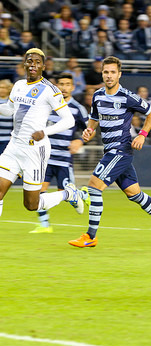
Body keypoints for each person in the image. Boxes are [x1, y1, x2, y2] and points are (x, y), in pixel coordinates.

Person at [68, 56, 151, 248]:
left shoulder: (128, 97)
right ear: (102, 73)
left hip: (121, 150)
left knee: (94, 187)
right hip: (110, 150)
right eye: (106, 72)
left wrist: (142, 134)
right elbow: (93, 123)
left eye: (112, 72)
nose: (109, 76)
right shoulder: (98, 96)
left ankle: (90, 236)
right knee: (135, 194)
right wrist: (88, 132)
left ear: (119, 74)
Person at [0, 49, 86, 220]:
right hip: (14, 146)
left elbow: (69, 120)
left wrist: (44, 132)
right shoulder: (18, 85)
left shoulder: (50, 90)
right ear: (24, 64)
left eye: (38, 62)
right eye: (30, 61)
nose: (33, 65)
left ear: (43, 66)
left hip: (35, 150)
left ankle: (69, 194)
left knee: (31, 204)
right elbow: (9, 111)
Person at [31, 73, 90, 234]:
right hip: (45, 157)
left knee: (64, 194)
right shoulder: (47, 105)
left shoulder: (78, 109)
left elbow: (89, 130)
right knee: (37, 192)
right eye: (61, 84)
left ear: (73, 87)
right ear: (56, 86)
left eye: (67, 84)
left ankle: (83, 194)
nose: (64, 87)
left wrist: (80, 141)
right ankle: (44, 225)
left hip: (64, 159)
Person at [0, 79, 12, 154]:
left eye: (4, 88)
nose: (2, 90)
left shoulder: (12, 102)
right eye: (0, 87)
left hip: (7, 139)